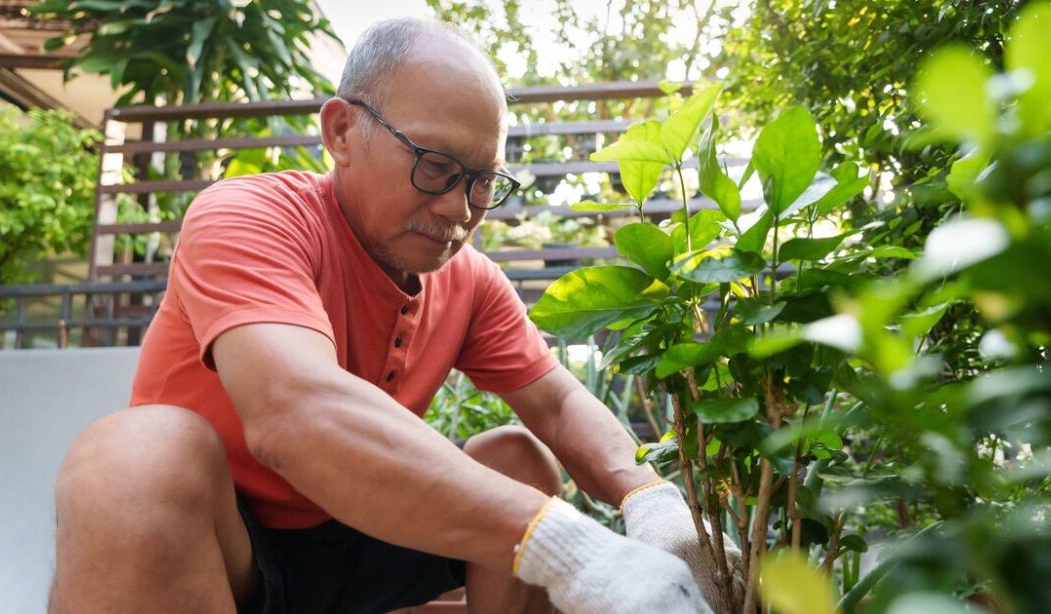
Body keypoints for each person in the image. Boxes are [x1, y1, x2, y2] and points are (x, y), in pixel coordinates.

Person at [49, 17, 740, 614]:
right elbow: (297, 412)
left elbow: (556, 405)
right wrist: (574, 550)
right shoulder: (252, 218)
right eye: (437, 167)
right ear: (342, 130)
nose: (461, 209)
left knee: (518, 458)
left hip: (360, 537)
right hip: (229, 544)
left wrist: (655, 507)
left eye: (483, 182)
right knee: (133, 458)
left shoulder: (469, 280)